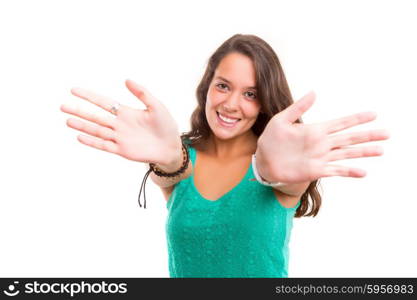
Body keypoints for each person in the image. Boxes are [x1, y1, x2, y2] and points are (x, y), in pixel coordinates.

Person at [60, 34, 390, 277]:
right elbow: (174, 170)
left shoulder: (283, 162)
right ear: (207, 86)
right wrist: (169, 157)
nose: (231, 104)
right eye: (223, 86)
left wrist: (267, 172)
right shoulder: (182, 159)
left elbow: (285, 181)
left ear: (265, 103)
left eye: (250, 93)